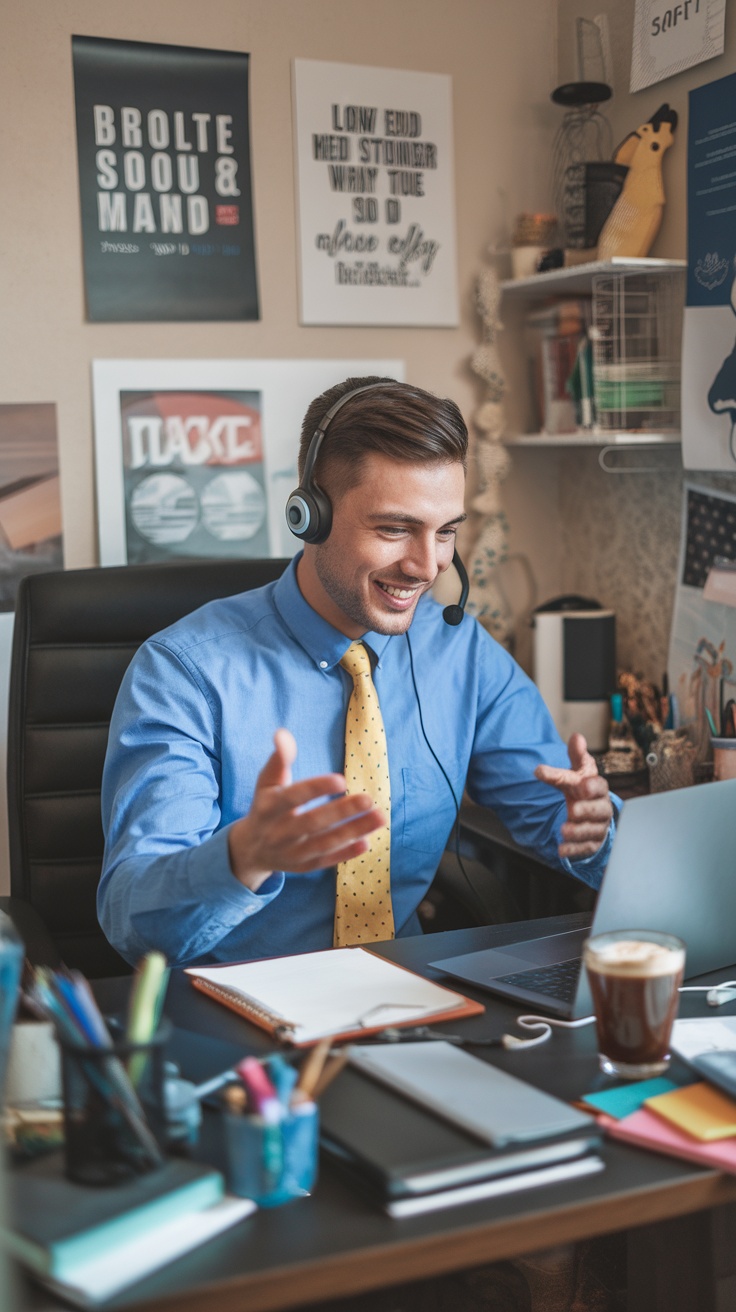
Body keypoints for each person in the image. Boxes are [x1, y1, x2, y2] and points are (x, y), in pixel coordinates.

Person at [98, 377, 617, 968]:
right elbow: (130, 918)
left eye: (446, 531)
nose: (427, 566)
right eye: (395, 529)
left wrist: (591, 827)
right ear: (310, 514)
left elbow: (555, 808)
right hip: (239, 1017)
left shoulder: (457, 649)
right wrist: (243, 855)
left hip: (407, 998)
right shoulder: (184, 673)